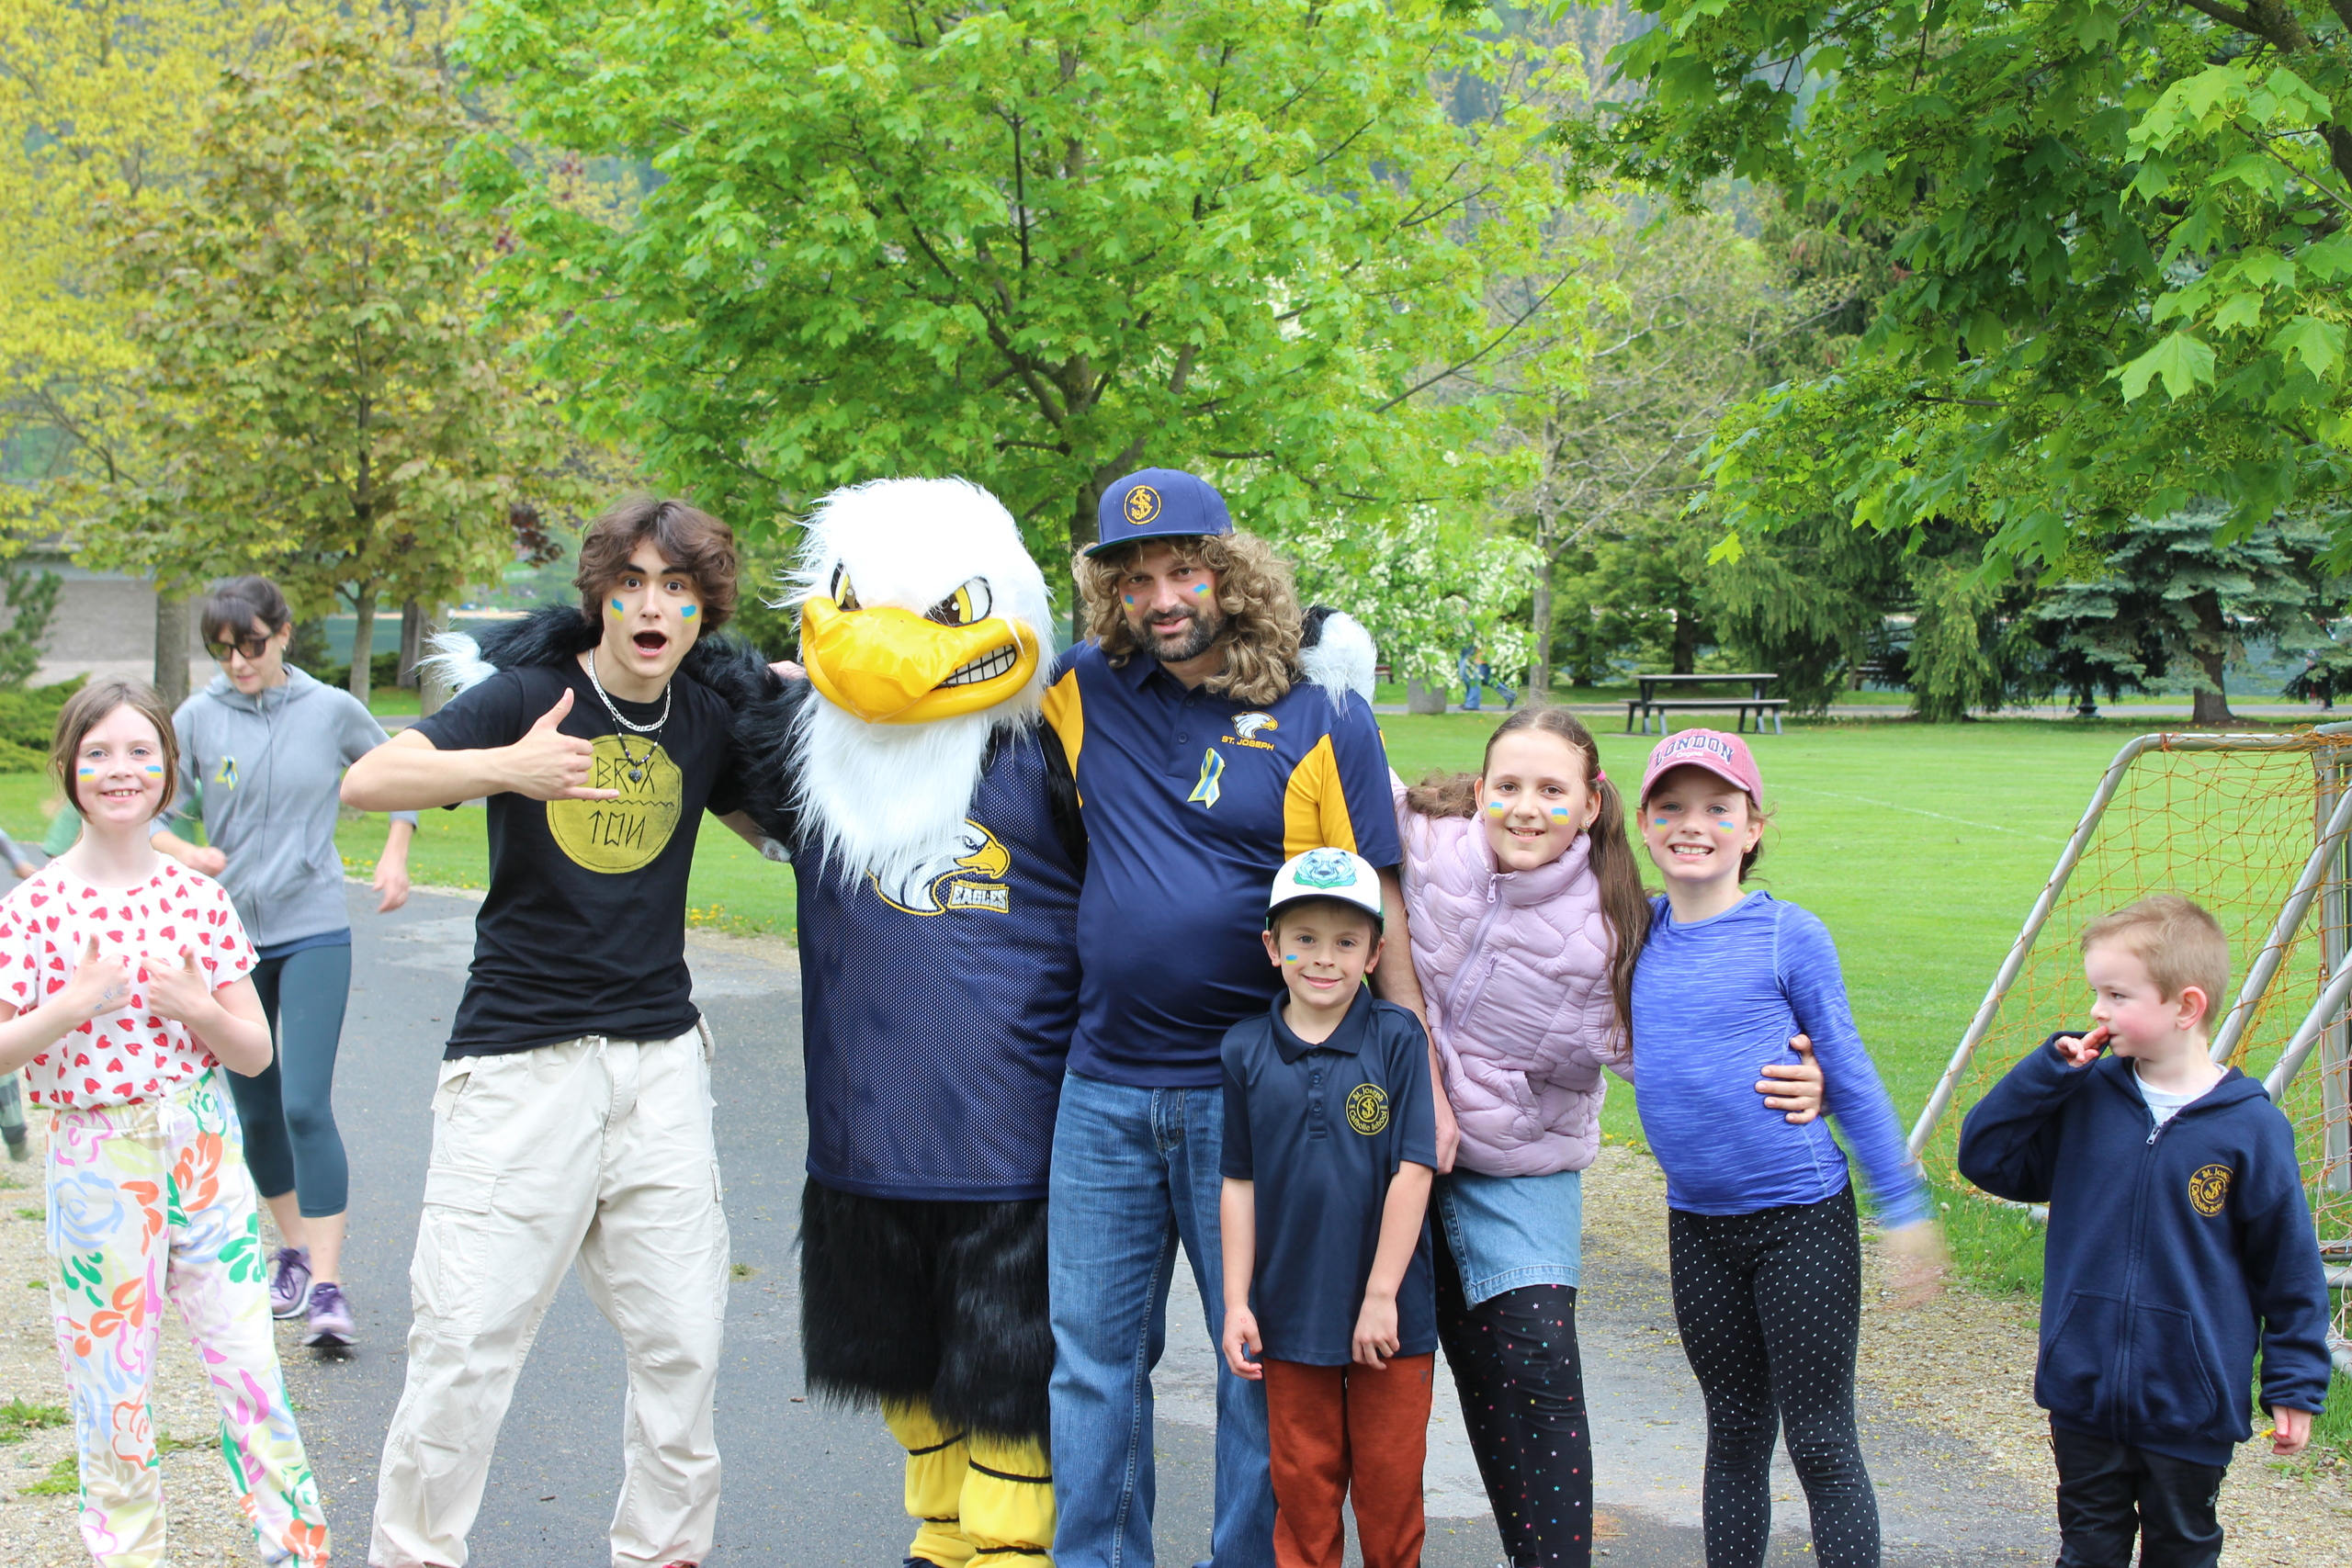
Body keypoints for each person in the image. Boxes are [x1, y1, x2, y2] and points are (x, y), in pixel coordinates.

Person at [342, 496, 760, 1568]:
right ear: (601, 597)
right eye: (632, 583)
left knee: (682, 1345)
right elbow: (369, 780)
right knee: (466, 1347)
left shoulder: (706, 717)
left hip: (661, 1069)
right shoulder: (532, 695)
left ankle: (662, 1552)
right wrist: (508, 768)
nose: (652, 606)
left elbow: (791, 829)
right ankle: (414, 1553)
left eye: (676, 587)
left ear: (703, 610)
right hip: (521, 1068)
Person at [1041, 468, 1429, 1568]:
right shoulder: (1080, 689)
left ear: (1233, 575)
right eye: (1135, 579)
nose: (1162, 598)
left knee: (1254, 1360)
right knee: (1091, 1361)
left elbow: (1377, 899)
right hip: (1103, 1087)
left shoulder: (1321, 715)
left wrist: (1419, 1074)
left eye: (1184, 571)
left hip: (1255, 1097)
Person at [724, 477, 1082, 1567]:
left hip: (1014, 1146)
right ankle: (938, 1538)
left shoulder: (1057, 747)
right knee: (899, 1371)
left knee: (1011, 1390)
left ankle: (1011, 1549)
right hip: (864, 1134)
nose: (886, 657)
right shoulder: (804, 754)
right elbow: (665, 720)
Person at [1394, 707, 1823, 1568]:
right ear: (1478, 793)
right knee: (1390, 1371)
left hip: (1518, 1162)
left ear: (1592, 805)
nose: (1524, 807)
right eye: (1507, 786)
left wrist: (1805, 1076)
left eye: (1552, 790)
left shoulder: (1615, 932)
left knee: (1535, 1360)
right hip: (1391, 1146)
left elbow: (1686, 1036)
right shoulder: (1429, 840)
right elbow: (1339, 758)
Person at [0, 678, 327, 1565]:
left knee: (252, 1369)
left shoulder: (197, 900)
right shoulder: (32, 909)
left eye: (140, 751)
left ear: (168, 771)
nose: (121, 770)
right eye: (98, 752)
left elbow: (254, 1053)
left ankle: (296, 1548)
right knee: (110, 1385)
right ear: (69, 769)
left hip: (203, 1145)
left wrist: (198, 1008)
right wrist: (67, 1007)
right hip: (92, 1153)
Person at [1631, 727, 1944, 1568]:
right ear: (1643, 821)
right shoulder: (1631, 933)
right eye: (1673, 806)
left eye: (1717, 808)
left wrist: (1903, 1205)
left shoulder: (1787, 934)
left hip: (1799, 1221)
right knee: (1732, 1431)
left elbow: (1849, 1065)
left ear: (1753, 825)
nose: (1693, 824)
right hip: (1697, 1224)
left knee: (1819, 1439)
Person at [1959, 895, 2330, 1568]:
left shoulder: (2250, 1128)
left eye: (2116, 993)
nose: (2097, 1009)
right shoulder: (2086, 1098)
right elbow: (1986, 1157)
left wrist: (2294, 1384)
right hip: (2085, 1389)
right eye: (2096, 990)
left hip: (2189, 1401)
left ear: (2185, 1007)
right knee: (2088, 1549)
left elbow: (2290, 1269)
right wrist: (2048, 1071)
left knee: (2182, 1551)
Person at [150, 574, 416, 1348]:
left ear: (284, 634)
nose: (238, 662)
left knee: (303, 1102)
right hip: (226, 941)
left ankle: (329, 1288)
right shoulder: (198, 718)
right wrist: (186, 850)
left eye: (252, 646)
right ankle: (292, 1249)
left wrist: (395, 852)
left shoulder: (330, 709)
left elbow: (402, 772)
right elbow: (156, 810)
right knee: (256, 1110)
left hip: (313, 928)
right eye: (223, 650)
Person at [1219, 847, 1437, 1568]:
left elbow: (1414, 1169)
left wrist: (1380, 1295)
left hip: (1389, 1320)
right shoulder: (1245, 1050)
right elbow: (1239, 1182)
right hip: (1289, 1313)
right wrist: (1235, 1301)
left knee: (1389, 1493)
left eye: (1346, 941)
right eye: (1305, 938)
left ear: (1376, 952)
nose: (1324, 958)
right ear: (1272, 946)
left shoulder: (1398, 1039)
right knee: (1304, 1493)